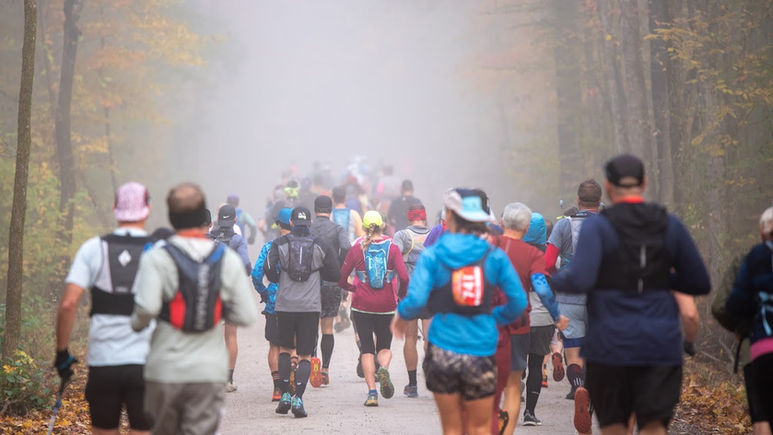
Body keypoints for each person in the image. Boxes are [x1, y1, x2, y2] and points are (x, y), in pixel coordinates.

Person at [550, 154, 711, 435]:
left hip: (609, 347)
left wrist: (551, 280)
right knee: (653, 426)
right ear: (644, 183)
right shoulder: (669, 225)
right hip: (659, 346)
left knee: (615, 427)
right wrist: (658, 277)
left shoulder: (598, 228)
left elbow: (580, 278)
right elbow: (699, 282)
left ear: (609, 187)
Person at [392, 188, 529, 435]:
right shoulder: (494, 256)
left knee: (452, 428)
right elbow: (518, 302)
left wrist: (401, 315)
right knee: (480, 426)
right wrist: (495, 318)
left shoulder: (433, 255)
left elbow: (416, 299)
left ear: (449, 216)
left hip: (443, 350)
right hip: (481, 350)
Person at [131, 182, 258, 435]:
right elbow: (246, 314)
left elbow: (144, 311)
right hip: (207, 371)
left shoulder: (157, 257)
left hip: (165, 368)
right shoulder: (225, 259)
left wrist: (137, 323)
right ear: (206, 220)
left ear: (171, 218)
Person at [55, 182, 154, 435]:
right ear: (148, 209)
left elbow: (68, 303)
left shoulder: (92, 248)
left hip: (104, 362)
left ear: (114, 208)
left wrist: (62, 353)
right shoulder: (160, 251)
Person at [494, 204, 568, 435]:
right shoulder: (544, 256)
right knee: (534, 366)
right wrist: (556, 315)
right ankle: (528, 414)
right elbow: (543, 287)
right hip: (538, 319)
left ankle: (501, 409)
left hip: (507, 320)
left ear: (504, 223)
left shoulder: (494, 249)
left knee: (509, 371)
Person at [265, 206, 342, 418]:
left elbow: (269, 268)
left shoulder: (279, 243)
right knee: (305, 355)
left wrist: (278, 277)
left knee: (284, 350)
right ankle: (298, 399)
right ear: (310, 223)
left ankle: (284, 396)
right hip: (310, 306)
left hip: (285, 304)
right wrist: (319, 274)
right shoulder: (321, 244)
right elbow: (335, 273)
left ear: (291, 222)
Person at [338, 210, 410, 406]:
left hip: (361, 305)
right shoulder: (393, 248)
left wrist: (352, 289)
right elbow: (404, 277)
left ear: (363, 228)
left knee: (367, 350)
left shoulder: (356, 249)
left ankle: (372, 394)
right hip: (387, 305)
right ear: (383, 226)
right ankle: (383, 368)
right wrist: (401, 295)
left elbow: (341, 277)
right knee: (384, 347)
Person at [544, 179, 602, 407]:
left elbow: (548, 262)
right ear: (600, 201)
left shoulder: (563, 225)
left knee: (574, 356)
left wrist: (559, 278)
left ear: (578, 200)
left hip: (570, 299)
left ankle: (578, 387)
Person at [726, 206, 773, 434]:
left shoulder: (756, 256)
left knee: (763, 415)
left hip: (764, 348)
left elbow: (734, 302)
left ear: (762, 232)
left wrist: (744, 324)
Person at [208, 203, 251, 393]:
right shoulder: (238, 240)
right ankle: (228, 379)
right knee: (231, 336)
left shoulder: (209, 239)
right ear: (235, 219)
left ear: (217, 219)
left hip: (212, 292)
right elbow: (246, 265)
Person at [309, 195, 351, 386]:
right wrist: (339, 267)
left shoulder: (309, 228)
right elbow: (346, 246)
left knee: (311, 326)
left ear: (315, 209)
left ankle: (313, 362)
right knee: (327, 328)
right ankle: (325, 370)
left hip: (310, 283)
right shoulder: (337, 229)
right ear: (331, 210)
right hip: (332, 282)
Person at [393, 203, 432, 398]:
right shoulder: (434, 235)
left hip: (409, 294)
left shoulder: (402, 236)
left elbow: (394, 258)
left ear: (409, 217)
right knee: (429, 338)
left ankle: (412, 385)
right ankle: (432, 376)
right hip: (431, 293)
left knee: (410, 338)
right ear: (424, 217)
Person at [252, 208, 292, 401]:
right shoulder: (302, 245)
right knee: (292, 346)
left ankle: (277, 388)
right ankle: (291, 383)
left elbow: (256, 274)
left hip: (274, 300)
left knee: (275, 345)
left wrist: (264, 293)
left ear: (278, 225)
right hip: (296, 301)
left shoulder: (269, 247)